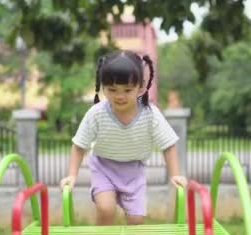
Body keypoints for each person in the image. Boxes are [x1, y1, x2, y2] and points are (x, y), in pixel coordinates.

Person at [60, 50, 188, 225]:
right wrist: (72, 176)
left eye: (127, 90)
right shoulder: (97, 113)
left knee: (136, 220)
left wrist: (175, 175)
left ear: (140, 87)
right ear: (102, 87)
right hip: (103, 168)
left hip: (134, 171)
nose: (120, 96)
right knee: (106, 209)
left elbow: (168, 145)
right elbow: (79, 145)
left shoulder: (150, 114)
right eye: (112, 90)